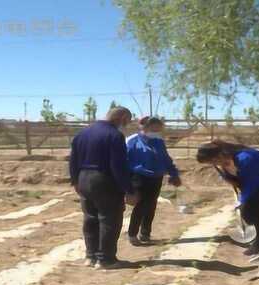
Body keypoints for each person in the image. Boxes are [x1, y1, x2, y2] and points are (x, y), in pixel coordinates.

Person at [69, 106, 138, 269]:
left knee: (90, 218)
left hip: (84, 178)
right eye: (127, 122)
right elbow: (118, 166)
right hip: (104, 180)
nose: (126, 125)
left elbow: (73, 160)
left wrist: (75, 181)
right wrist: (128, 189)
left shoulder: (82, 133)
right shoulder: (115, 135)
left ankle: (91, 256)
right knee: (109, 219)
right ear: (121, 118)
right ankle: (106, 259)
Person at [196, 140, 259, 255]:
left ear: (219, 155)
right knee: (251, 211)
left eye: (212, 161)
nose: (213, 164)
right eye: (210, 163)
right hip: (253, 178)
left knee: (253, 209)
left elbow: (252, 183)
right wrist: (233, 181)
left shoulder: (245, 158)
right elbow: (236, 178)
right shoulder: (221, 163)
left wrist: (242, 201)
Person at [125, 116, 181, 245]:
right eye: (154, 129)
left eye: (158, 129)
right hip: (139, 177)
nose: (156, 131)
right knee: (140, 205)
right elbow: (124, 160)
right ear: (145, 127)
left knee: (151, 205)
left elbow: (166, 159)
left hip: (156, 177)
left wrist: (174, 174)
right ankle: (132, 234)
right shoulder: (131, 141)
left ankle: (145, 233)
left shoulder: (158, 141)